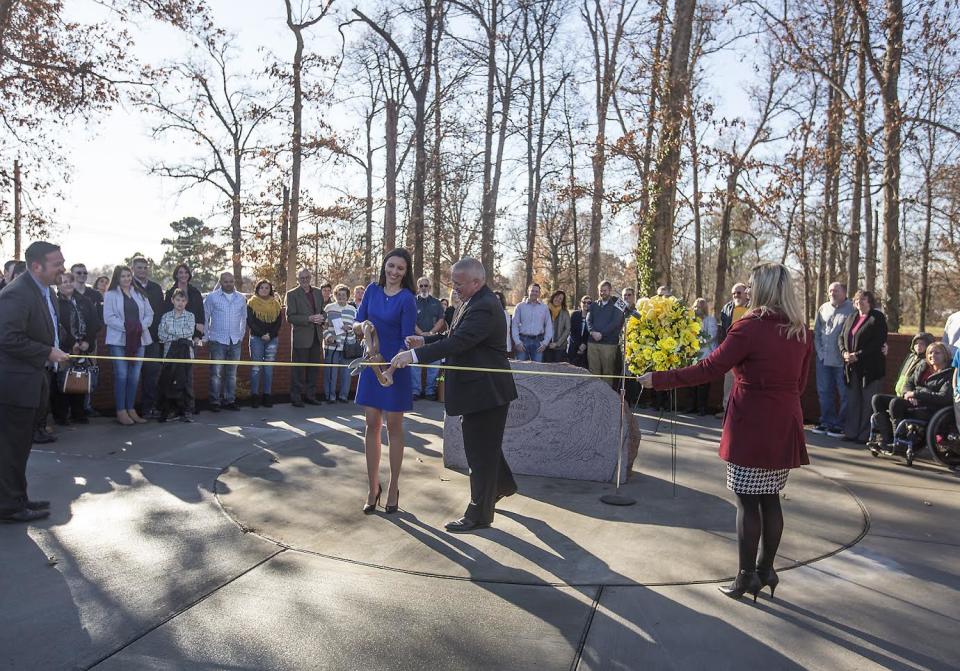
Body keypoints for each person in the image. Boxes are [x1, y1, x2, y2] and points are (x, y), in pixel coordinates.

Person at [638, 262, 812, 602]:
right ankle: (766, 569)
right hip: (784, 421)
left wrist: (659, 379)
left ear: (761, 288)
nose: (746, 290)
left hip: (752, 422)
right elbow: (801, 384)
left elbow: (710, 367)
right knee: (770, 499)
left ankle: (746, 576)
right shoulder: (800, 330)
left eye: (751, 285)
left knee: (747, 501)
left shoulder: (750, 327)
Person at [392, 258, 518, 533]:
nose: (454, 288)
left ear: (477, 281)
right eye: (453, 283)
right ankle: (503, 485)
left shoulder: (484, 306)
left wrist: (413, 356)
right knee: (485, 447)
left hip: (486, 392)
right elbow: (453, 334)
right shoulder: (472, 300)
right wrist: (424, 340)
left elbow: (459, 343)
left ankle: (479, 514)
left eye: (458, 284)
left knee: (479, 454)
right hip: (479, 390)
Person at [0, 241, 69, 522]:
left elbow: (47, 329)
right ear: (36, 266)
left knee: (22, 445)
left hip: (36, 376)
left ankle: (19, 498)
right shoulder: (16, 294)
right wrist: (47, 352)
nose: (62, 269)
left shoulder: (46, 292)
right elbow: (7, 337)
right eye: (57, 264)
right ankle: (8, 506)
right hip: (15, 383)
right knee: (11, 447)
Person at [353, 249, 417, 515]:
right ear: (384, 266)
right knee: (371, 424)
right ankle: (372, 488)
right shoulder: (372, 290)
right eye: (391, 266)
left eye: (400, 268)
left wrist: (390, 369)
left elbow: (406, 340)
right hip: (371, 363)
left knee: (394, 426)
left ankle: (392, 488)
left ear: (406, 272)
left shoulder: (407, 299)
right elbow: (356, 323)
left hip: (395, 366)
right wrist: (363, 327)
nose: (394, 272)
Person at [868, 342, 954, 450]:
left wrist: (916, 394)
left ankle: (900, 442)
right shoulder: (923, 366)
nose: (933, 355)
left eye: (937, 353)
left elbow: (943, 397)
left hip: (929, 406)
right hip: (912, 400)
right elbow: (909, 383)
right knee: (877, 399)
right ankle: (886, 438)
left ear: (945, 355)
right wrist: (908, 394)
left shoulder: (950, 373)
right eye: (930, 353)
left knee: (896, 403)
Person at [103, 265, 154, 425]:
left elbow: (149, 314)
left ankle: (131, 409)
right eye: (123, 276)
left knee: (134, 376)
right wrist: (127, 327)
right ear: (117, 278)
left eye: (128, 276)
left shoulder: (140, 293)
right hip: (118, 340)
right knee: (122, 375)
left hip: (140, 339)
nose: (127, 279)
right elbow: (109, 318)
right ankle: (121, 411)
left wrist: (140, 327)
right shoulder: (110, 295)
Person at [51, 271, 101, 425]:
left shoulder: (84, 301)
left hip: (83, 347)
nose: (67, 284)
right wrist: (71, 343)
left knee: (79, 379)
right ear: (58, 286)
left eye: (69, 281)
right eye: (63, 282)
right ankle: (61, 416)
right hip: (64, 347)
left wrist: (87, 341)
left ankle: (78, 413)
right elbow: (57, 326)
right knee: (62, 381)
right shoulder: (55, 303)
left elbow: (95, 323)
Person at [839, 289, 888, 443]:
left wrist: (857, 355)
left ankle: (864, 435)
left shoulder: (877, 317)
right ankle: (851, 432)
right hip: (852, 367)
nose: (859, 302)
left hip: (870, 369)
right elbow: (841, 337)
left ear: (870, 302)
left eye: (863, 299)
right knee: (853, 400)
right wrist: (844, 352)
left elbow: (877, 342)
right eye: (857, 299)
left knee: (868, 402)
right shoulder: (852, 317)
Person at [812, 282, 856, 437]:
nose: (832, 293)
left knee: (844, 392)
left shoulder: (852, 309)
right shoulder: (823, 308)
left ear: (844, 292)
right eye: (830, 290)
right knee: (824, 391)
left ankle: (840, 424)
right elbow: (817, 332)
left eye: (836, 291)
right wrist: (819, 352)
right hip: (823, 358)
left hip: (842, 360)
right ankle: (827, 422)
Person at [163, 264, 205, 413]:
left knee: (188, 375)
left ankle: (189, 405)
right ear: (176, 274)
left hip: (191, 339)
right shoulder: (170, 292)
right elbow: (166, 315)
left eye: (186, 272)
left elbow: (200, 315)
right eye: (180, 272)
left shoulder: (195, 292)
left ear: (189, 275)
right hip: (173, 342)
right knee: (173, 375)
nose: (183, 275)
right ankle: (175, 406)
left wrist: (197, 336)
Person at [203, 272, 246, 412]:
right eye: (226, 281)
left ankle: (229, 400)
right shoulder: (211, 297)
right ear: (220, 282)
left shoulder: (241, 298)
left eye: (231, 281)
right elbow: (205, 317)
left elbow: (243, 319)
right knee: (216, 373)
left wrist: (241, 335)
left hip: (235, 341)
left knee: (232, 374)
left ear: (234, 282)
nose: (229, 284)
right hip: (217, 340)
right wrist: (206, 336)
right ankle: (215, 401)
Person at [286, 269, 327, 407]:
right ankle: (296, 397)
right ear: (298, 279)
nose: (304, 280)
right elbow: (290, 317)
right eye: (301, 277)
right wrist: (308, 319)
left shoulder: (317, 292)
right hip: (301, 337)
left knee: (313, 369)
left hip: (316, 337)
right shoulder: (292, 294)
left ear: (311, 277)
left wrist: (322, 318)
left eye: (307, 277)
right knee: (298, 370)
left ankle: (310, 396)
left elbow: (323, 311)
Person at [156, 289, 198, 422]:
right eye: (178, 300)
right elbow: (161, 336)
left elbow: (188, 332)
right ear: (172, 301)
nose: (180, 303)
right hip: (169, 354)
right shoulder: (166, 316)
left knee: (186, 382)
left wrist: (171, 334)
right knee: (169, 382)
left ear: (186, 302)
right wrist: (177, 336)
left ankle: (187, 410)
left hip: (186, 354)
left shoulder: (190, 316)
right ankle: (171, 410)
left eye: (183, 300)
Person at [131, 257, 165, 419]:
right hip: (133, 338)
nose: (142, 270)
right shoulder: (128, 286)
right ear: (133, 268)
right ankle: (128, 410)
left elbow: (160, 313)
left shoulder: (156, 288)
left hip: (153, 339)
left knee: (151, 375)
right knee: (132, 375)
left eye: (145, 267)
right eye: (139, 267)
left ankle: (148, 408)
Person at [247, 280, 283, 408]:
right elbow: (250, 322)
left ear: (270, 290)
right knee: (256, 367)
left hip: (272, 339)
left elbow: (278, 323)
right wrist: (262, 334)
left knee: (268, 368)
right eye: (261, 287)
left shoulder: (276, 304)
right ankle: (254, 396)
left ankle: (267, 395)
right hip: (256, 338)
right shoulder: (251, 303)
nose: (264, 290)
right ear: (257, 289)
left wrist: (270, 335)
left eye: (267, 288)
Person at [715, 282, 749, 417]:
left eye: (738, 292)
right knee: (728, 382)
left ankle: (744, 411)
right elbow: (723, 329)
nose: (735, 295)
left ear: (746, 293)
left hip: (747, 351)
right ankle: (726, 410)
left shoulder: (754, 307)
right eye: (734, 293)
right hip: (730, 349)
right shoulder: (727, 308)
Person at [322, 284, 357, 403]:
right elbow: (323, 326)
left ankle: (343, 396)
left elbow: (357, 327)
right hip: (332, 345)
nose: (341, 297)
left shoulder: (353, 310)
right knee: (331, 372)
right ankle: (330, 396)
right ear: (335, 295)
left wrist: (350, 328)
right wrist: (328, 336)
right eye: (339, 294)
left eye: (344, 295)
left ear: (348, 296)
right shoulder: (329, 308)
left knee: (346, 373)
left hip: (348, 346)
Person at [412, 277, 446, 399]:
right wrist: (421, 334)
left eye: (426, 286)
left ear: (430, 287)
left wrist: (431, 333)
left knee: (434, 365)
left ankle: (430, 391)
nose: (424, 288)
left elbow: (441, 320)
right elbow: (410, 320)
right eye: (421, 286)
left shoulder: (436, 303)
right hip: (416, 338)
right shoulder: (412, 302)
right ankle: (415, 391)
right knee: (415, 366)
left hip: (433, 339)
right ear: (418, 287)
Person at [586, 280, 624, 388]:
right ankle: (594, 396)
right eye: (601, 291)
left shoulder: (617, 304)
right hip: (593, 343)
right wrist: (592, 332)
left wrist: (601, 334)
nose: (602, 293)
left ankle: (607, 398)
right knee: (593, 372)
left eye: (605, 290)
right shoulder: (593, 305)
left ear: (610, 290)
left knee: (608, 372)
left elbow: (615, 322)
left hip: (609, 344)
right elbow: (589, 320)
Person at [688, 297, 717, 416]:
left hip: (706, 353)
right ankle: (691, 406)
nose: (696, 309)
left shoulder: (710, 320)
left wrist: (697, 340)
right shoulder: (691, 320)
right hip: (692, 354)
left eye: (699, 307)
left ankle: (702, 407)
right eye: (695, 307)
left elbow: (711, 336)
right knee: (691, 381)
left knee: (703, 383)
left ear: (704, 309)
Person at [511, 283, 553, 363]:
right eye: (532, 291)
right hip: (522, 342)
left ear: (539, 293)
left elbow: (548, 326)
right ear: (528, 291)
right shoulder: (520, 307)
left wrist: (545, 343)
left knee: (537, 370)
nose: (534, 293)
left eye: (536, 291)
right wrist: (517, 342)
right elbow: (514, 325)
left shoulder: (544, 308)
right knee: (520, 369)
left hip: (538, 342)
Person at [545, 290, 570, 363]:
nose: (558, 300)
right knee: (546, 368)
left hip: (560, 347)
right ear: (553, 297)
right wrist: (545, 342)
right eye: (556, 297)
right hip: (546, 345)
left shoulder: (565, 312)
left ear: (562, 301)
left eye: (560, 299)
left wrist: (557, 343)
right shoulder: (545, 309)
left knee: (557, 368)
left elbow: (567, 329)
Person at [567, 296, 591, 368]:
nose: (586, 304)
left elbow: (591, 333)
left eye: (589, 303)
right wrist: (579, 345)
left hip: (586, 349)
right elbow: (572, 331)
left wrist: (584, 344)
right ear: (580, 303)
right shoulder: (575, 315)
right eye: (584, 302)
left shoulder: (592, 316)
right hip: (574, 347)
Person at [492, 290, 510, 355]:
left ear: (501, 301)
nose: (496, 301)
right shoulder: (487, 313)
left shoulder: (505, 314)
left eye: (498, 299)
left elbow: (505, 329)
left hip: (502, 346)